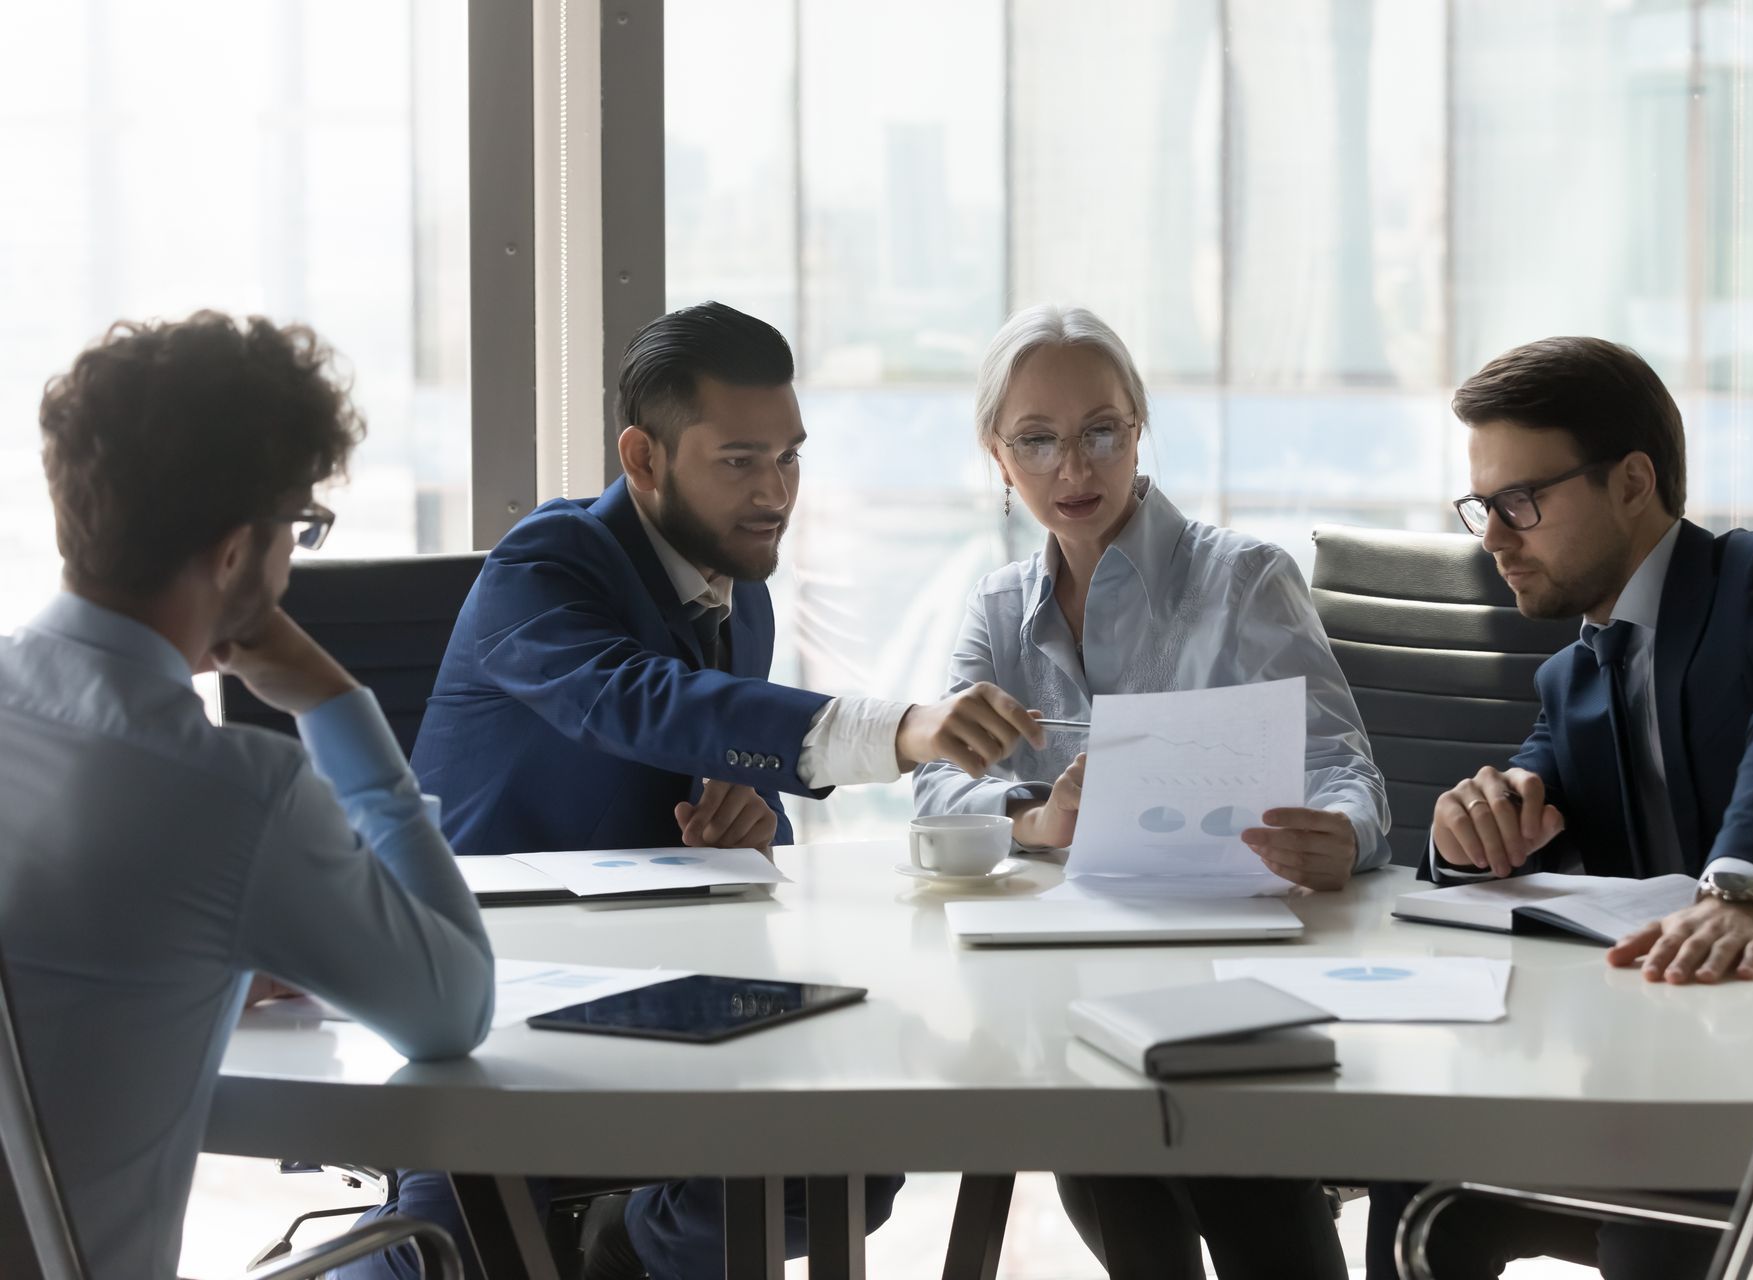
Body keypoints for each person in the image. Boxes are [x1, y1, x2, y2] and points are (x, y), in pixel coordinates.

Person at [345, 301, 1042, 1280]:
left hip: (657, 998)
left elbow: (721, 748)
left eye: (790, 458)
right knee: (455, 1255)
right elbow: (644, 699)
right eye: (739, 461)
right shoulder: (544, 567)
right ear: (644, 458)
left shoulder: (737, 593)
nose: (775, 493)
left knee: (854, 1154)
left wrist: (751, 824)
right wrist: (899, 726)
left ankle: (618, 1248)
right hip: (492, 1010)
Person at [1366, 336, 1753, 1279]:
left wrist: (1740, 888)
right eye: (1481, 507)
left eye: (1520, 503)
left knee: (1648, 1233)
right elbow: (1519, 809)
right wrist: (1468, 832)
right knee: (1409, 1176)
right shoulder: (1571, 679)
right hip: (1668, 1052)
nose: (1493, 537)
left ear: (1631, 481)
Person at [0, 312, 495, 1280]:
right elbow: (452, 1007)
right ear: (236, 553)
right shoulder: (234, 794)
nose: (293, 558)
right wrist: (338, 702)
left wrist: (203, 957)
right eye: (299, 527)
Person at [914, 303, 1390, 1280]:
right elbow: (932, 792)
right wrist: (1038, 817)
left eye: (1101, 432)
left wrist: (1340, 830)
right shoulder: (1001, 607)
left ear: (1139, 427)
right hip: (1069, 976)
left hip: (1229, 971)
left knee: (1227, 1174)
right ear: (998, 457)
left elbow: (1345, 768)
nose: (1074, 470)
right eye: (1036, 440)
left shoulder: (1246, 580)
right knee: (1101, 1130)